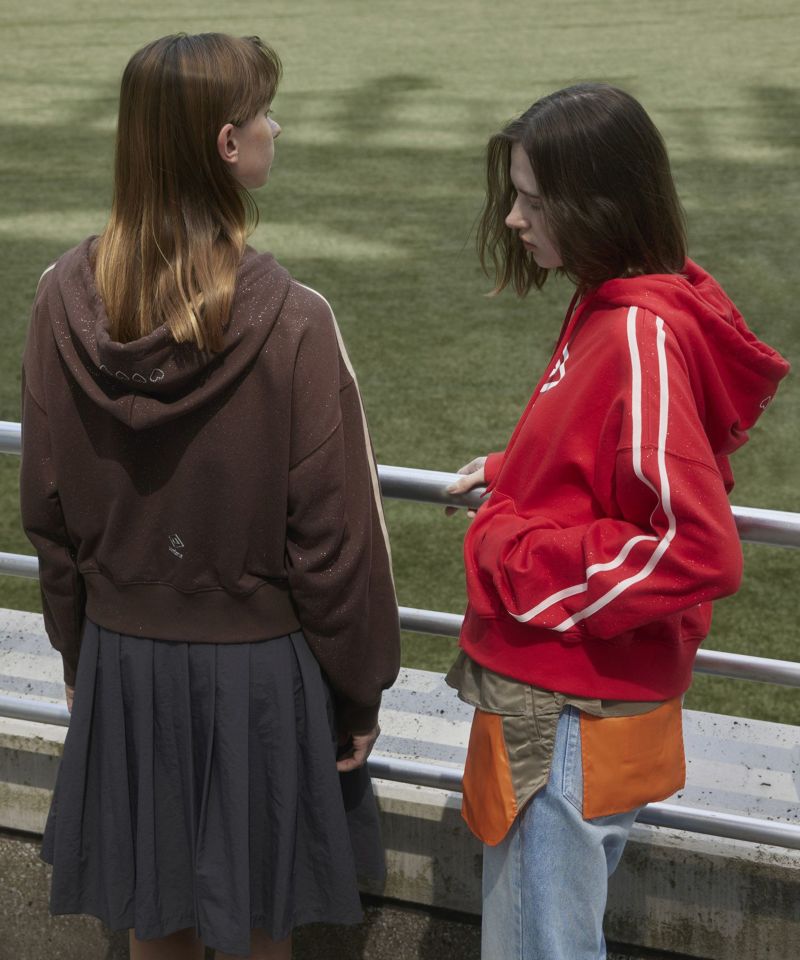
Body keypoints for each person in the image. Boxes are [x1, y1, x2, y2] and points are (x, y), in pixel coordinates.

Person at [20, 32, 400, 960]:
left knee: (156, 928)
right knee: (261, 931)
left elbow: (48, 514)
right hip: (260, 677)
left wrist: (78, 652)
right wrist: (360, 692)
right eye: (265, 113)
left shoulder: (55, 300)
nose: (278, 127)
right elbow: (334, 544)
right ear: (227, 144)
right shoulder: (297, 319)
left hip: (120, 661)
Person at [445, 83, 789, 960]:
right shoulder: (613, 302)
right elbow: (607, 452)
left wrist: (512, 551)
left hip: (565, 716)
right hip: (570, 709)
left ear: (596, 204)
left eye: (532, 200)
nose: (514, 219)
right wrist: (515, 472)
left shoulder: (636, 330)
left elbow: (695, 546)